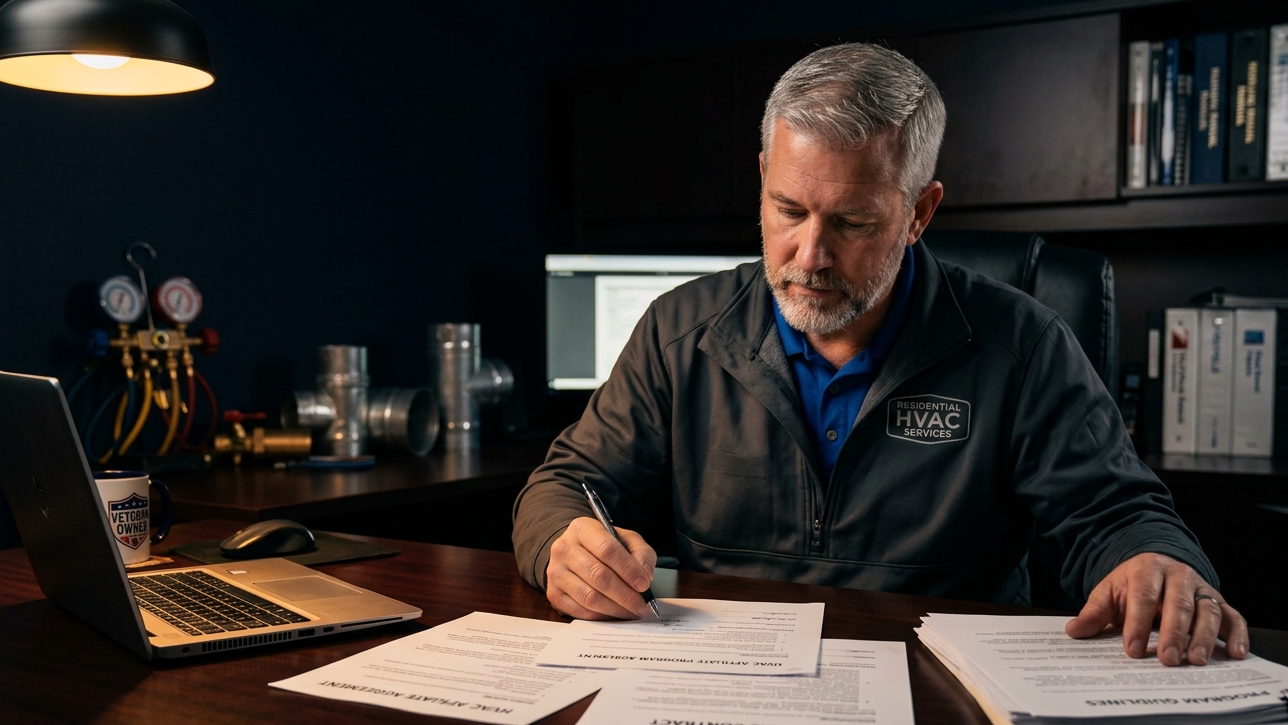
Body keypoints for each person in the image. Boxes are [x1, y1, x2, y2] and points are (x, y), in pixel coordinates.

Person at [513, 43, 1247, 667]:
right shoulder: (680, 332)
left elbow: (1116, 512)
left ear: (919, 212)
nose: (809, 255)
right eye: (787, 210)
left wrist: (1157, 565)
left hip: (946, 687)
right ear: (762, 176)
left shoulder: (1021, 345)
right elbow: (569, 484)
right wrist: (563, 546)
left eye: (852, 222)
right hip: (726, 678)